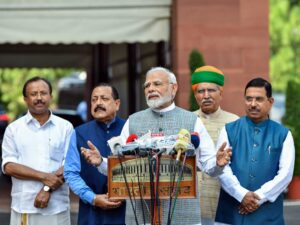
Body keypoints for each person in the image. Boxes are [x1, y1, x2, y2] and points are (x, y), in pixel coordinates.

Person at [81, 67, 232, 225]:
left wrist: (218, 163)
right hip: (141, 217)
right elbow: (120, 169)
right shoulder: (133, 121)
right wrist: (101, 162)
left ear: (173, 88)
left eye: (157, 84)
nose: (150, 89)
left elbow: (209, 165)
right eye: (147, 86)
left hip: (183, 216)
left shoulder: (192, 121)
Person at [215, 78, 295, 225]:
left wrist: (258, 197)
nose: (252, 104)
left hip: (268, 215)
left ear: (270, 102)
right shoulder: (228, 130)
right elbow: (222, 169)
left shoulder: (283, 134)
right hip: (231, 213)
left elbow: (285, 174)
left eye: (258, 99)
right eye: (249, 99)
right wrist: (241, 194)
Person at [1, 76, 73, 225]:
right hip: (24, 206)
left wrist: (47, 189)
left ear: (51, 96)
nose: (39, 98)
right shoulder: (14, 129)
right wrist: (44, 177)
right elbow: (9, 166)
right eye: (34, 94)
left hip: (57, 207)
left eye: (43, 93)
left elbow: (70, 164)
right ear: (25, 99)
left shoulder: (65, 127)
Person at [64, 83, 126, 225]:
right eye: (94, 99)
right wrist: (92, 198)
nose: (98, 103)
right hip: (91, 212)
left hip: (126, 211)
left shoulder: (129, 130)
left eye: (104, 99)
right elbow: (70, 173)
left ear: (117, 104)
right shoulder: (79, 133)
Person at [191, 65, 239, 225]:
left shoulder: (235, 122)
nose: (206, 96)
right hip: (193, 199)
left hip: (224, 198)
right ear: (195, 94)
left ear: (221, 93)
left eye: (211, 90)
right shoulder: (186, 121)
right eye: (200, 91)